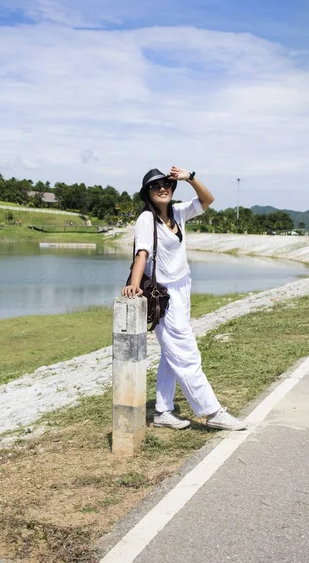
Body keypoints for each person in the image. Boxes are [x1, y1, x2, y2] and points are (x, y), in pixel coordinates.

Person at [121, 167, 247, 431]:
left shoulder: (178, 212)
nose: (162, 188)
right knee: (186, 354)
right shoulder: (146, 219)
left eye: (166, 184)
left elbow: (207, 200)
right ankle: (212, 412)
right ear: (147, 193)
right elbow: (141, 254)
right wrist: (133, 286)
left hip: (183, 289)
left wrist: (189, 178)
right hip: (163, 295)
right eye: (155, 186)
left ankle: (163, 411)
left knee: (171, 354)